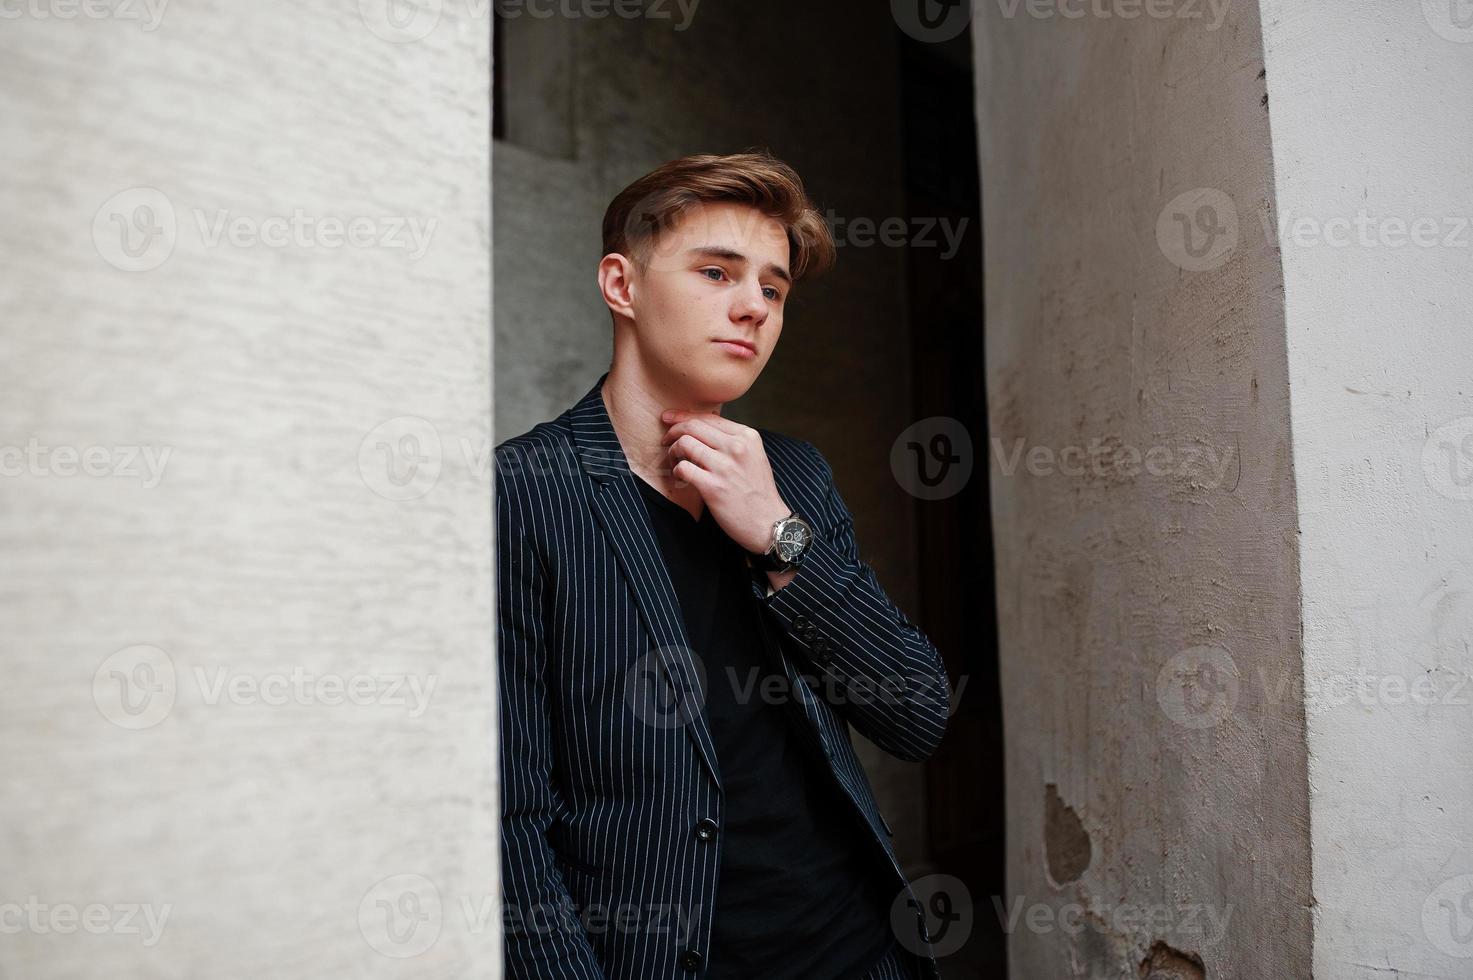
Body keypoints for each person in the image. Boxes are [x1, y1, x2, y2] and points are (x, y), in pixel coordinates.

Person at [496, 151, 951, 980]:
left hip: (861, 951)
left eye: (773, 289)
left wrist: (779, 535)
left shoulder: (795, 475)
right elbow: (509, 821)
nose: (752, 308)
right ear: (621, 286)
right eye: (716, 272)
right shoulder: (523, 491)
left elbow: (916, 713)